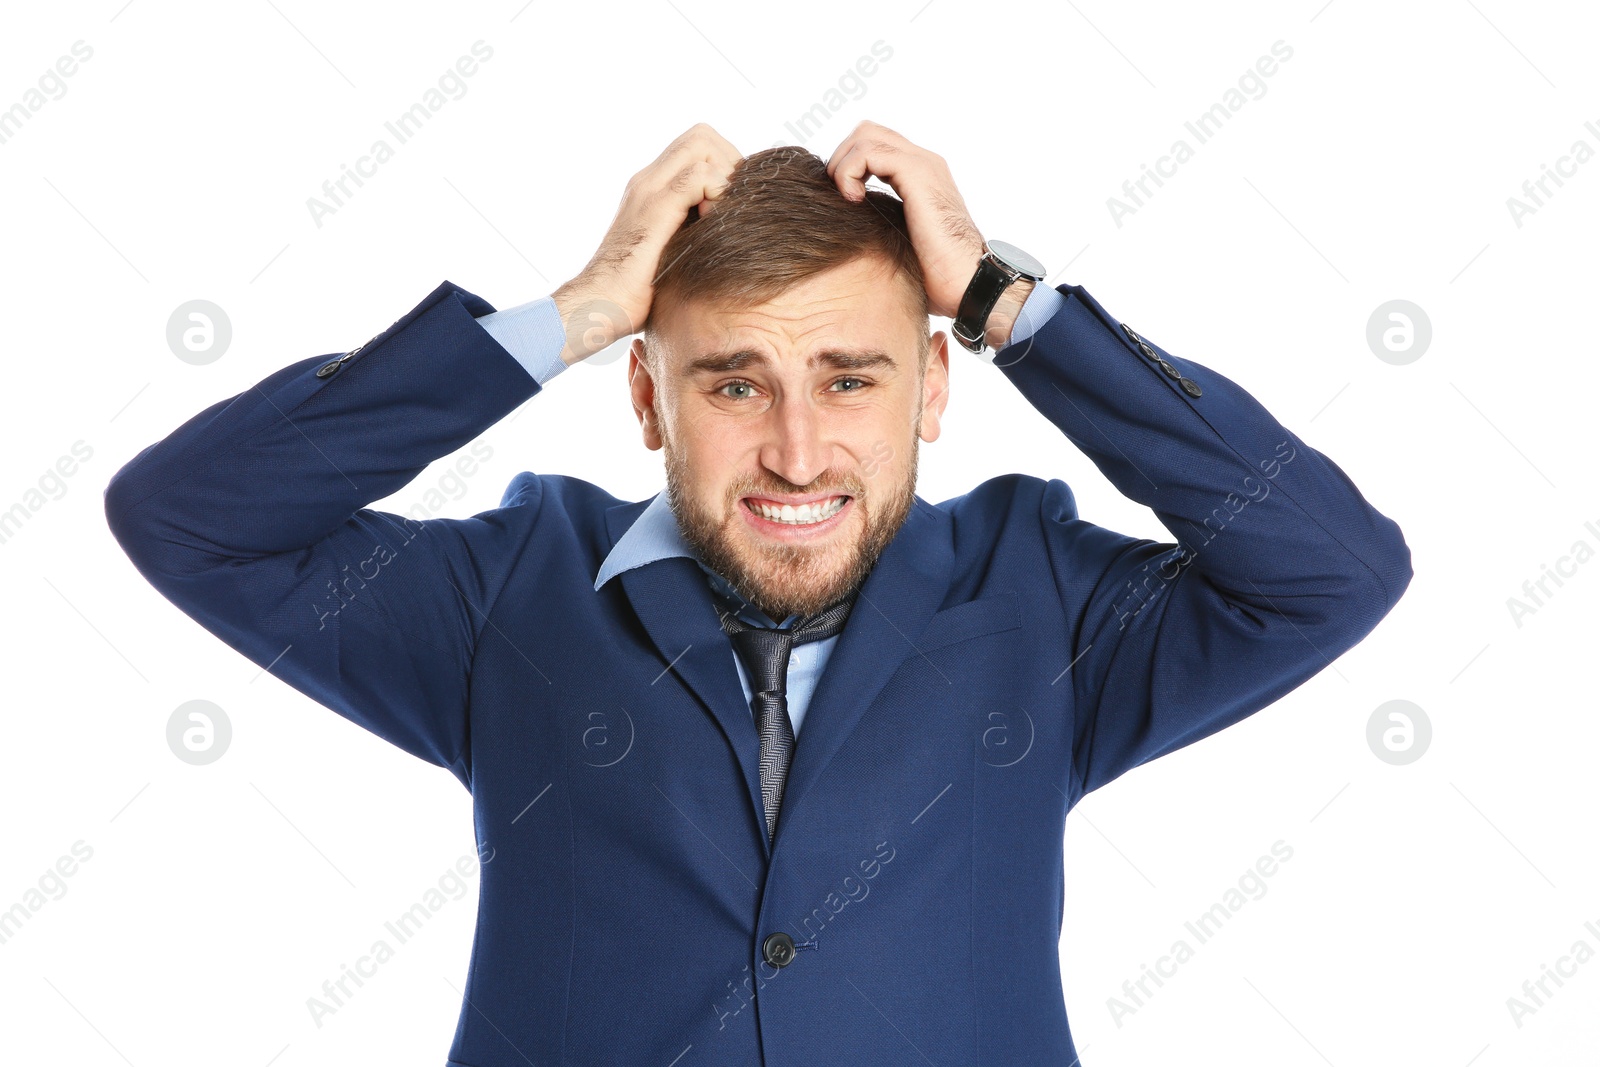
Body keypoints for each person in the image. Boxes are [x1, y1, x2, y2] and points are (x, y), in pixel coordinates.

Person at [105, 120, 1412, 1066]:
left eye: (852, 377)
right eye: (734, 383)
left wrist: (1016, 309)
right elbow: (193, 519)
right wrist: (564, 315)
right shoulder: (514, 591)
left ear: (936, 390)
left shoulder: (1040, 602)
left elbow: (1330, 570)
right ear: (645, 395)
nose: (796, 449)